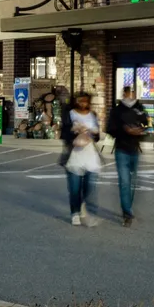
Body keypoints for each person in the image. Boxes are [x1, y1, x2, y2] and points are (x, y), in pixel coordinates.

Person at [107, 86, 149, 227]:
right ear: (124, 93)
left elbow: (146, 123)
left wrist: (141, 130)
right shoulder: (117, 110)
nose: (130, 95)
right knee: (125, 182)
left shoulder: (139, 108)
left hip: (134, 149)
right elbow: (110, 129)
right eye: (128, 92)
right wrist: (125, 130)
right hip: (121, 149)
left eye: (132, 92)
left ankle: (127, 208)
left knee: (131, 182)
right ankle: (127, 213)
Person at [60, 92, 102, 226]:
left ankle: (84, 205)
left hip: (90, 156)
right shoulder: (70, 114)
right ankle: (75, 213)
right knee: (74, 188)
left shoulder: (92, 115)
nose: (83, 103)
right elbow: (64, 134)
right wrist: (75, 131)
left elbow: (97, 136)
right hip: (74, 155)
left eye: (85, 101)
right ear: (75, 101)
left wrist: (92, 133)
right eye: (80, 100)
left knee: (89, 186)